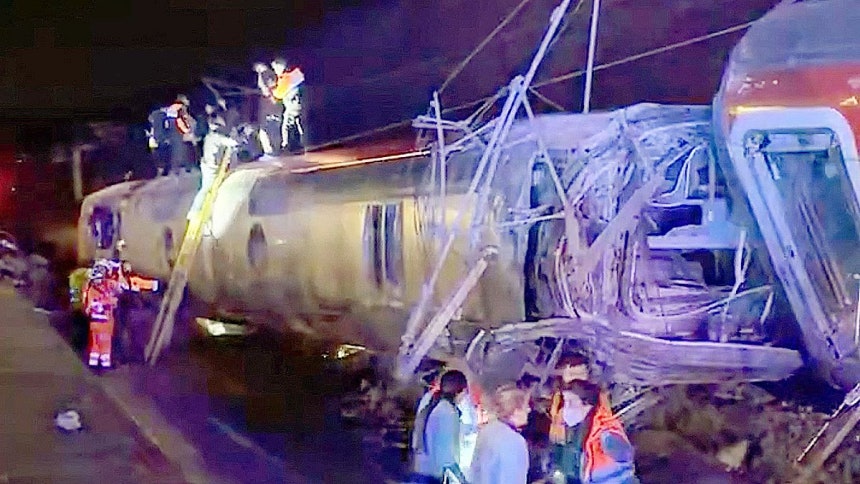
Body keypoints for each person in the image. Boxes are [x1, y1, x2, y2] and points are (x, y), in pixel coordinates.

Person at [561, 381, 638, 484]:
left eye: (571, 402)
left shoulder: (606, 433)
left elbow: (625, 458)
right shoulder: (588, 432)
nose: (566, 408)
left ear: (587, 404)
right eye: (565, 403)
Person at [412, 369, 470, 483]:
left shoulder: (433, 403)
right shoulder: (447, 411)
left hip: (422, 470)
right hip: (432, 475)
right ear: (460, 391)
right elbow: (446, 456)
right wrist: (462, 479)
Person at [186, 102, 238, 224]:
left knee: (207, 188)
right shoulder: (216, 137)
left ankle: (201, 211)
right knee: (206, 189)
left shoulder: (210, 136)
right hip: (211, 168)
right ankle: (194, 211)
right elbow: (232, 143)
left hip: (208, 165)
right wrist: (236, 136)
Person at [471, 384, 531, 484]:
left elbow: (474, 471)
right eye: (526, 406)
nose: (529, 410)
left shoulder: (486, 430)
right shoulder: (515, 441)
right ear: (515, 411)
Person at [81, 259, 122, 368]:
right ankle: (104, 365)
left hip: (95, 322)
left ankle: (94, 363)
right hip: (104, 322)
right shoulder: (103, 288)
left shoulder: (89, 288)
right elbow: (117, 290)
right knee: (105, 344)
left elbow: (87, 306)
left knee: (95, 343)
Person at [269, 57, 305, 154]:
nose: (275, 71)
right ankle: (300, 145)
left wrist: (272, 89)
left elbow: (279, 94)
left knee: (287, 126)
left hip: (293, 106)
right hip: (300, 104)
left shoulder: (285, 78)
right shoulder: (295, 73)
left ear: (281, 66)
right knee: (298, 125)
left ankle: (286, 145)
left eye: (275, 68)